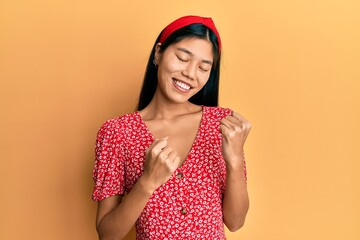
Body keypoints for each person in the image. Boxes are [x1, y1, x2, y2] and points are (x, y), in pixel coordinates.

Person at [92, 15, 251, 240]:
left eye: (203, 68)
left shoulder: (221, 125)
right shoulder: (118, 133)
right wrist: (147, 183)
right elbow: (108, 235)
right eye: (182, 58)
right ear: (158, 53)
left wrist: (234, 159)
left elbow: (235, 222)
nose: (190, 73)